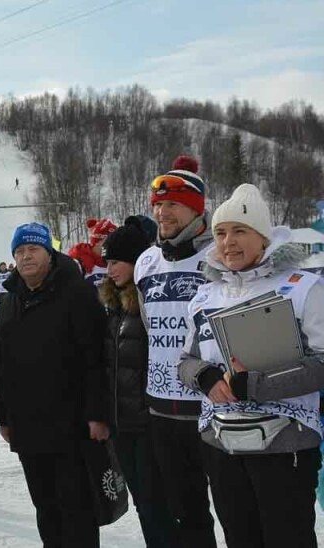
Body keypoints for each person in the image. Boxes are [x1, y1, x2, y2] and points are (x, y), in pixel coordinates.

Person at [178, 184, 324, 548]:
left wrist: (256, 385)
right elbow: (185, 362)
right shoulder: (205, 295)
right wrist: (204, 377)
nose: (228, 242)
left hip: (285, 445)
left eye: (240, 231)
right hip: (221, 443)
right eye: (220, 233)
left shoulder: (304, 288)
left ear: (263, 238)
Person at [0, 222, 108, 547]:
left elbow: (96, 357)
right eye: (19, 251)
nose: (25, 256)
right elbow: (1, 361)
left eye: (33, 249)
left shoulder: (77, 293)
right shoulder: (10, 300)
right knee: (45, 508)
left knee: (76, 509)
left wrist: (97, 414)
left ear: (49, 254)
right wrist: (2, 415)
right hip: (26, 425)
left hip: (70, 425)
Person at [134, 155, 218, 548]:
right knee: (185, 512)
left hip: (213, 407)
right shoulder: (146, 262)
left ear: (196, 209)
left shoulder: (219, 255)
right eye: (158, 205)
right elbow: (150, 327)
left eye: (172, 204)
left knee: (236, 510)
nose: (161, 212)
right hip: (162, 410)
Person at [99, 218, 176, 547]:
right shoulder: (113, 307)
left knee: (159, 502)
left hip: (149, 422)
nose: (110, 269)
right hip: (122, 423)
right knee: (144, 503)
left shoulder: (148, 302)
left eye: (117, 261)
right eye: (108, 262)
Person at [68, 217, 117, 287]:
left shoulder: (115, 261)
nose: (113, 245)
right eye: (110, 241)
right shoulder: (79, 261)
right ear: (97, 242)